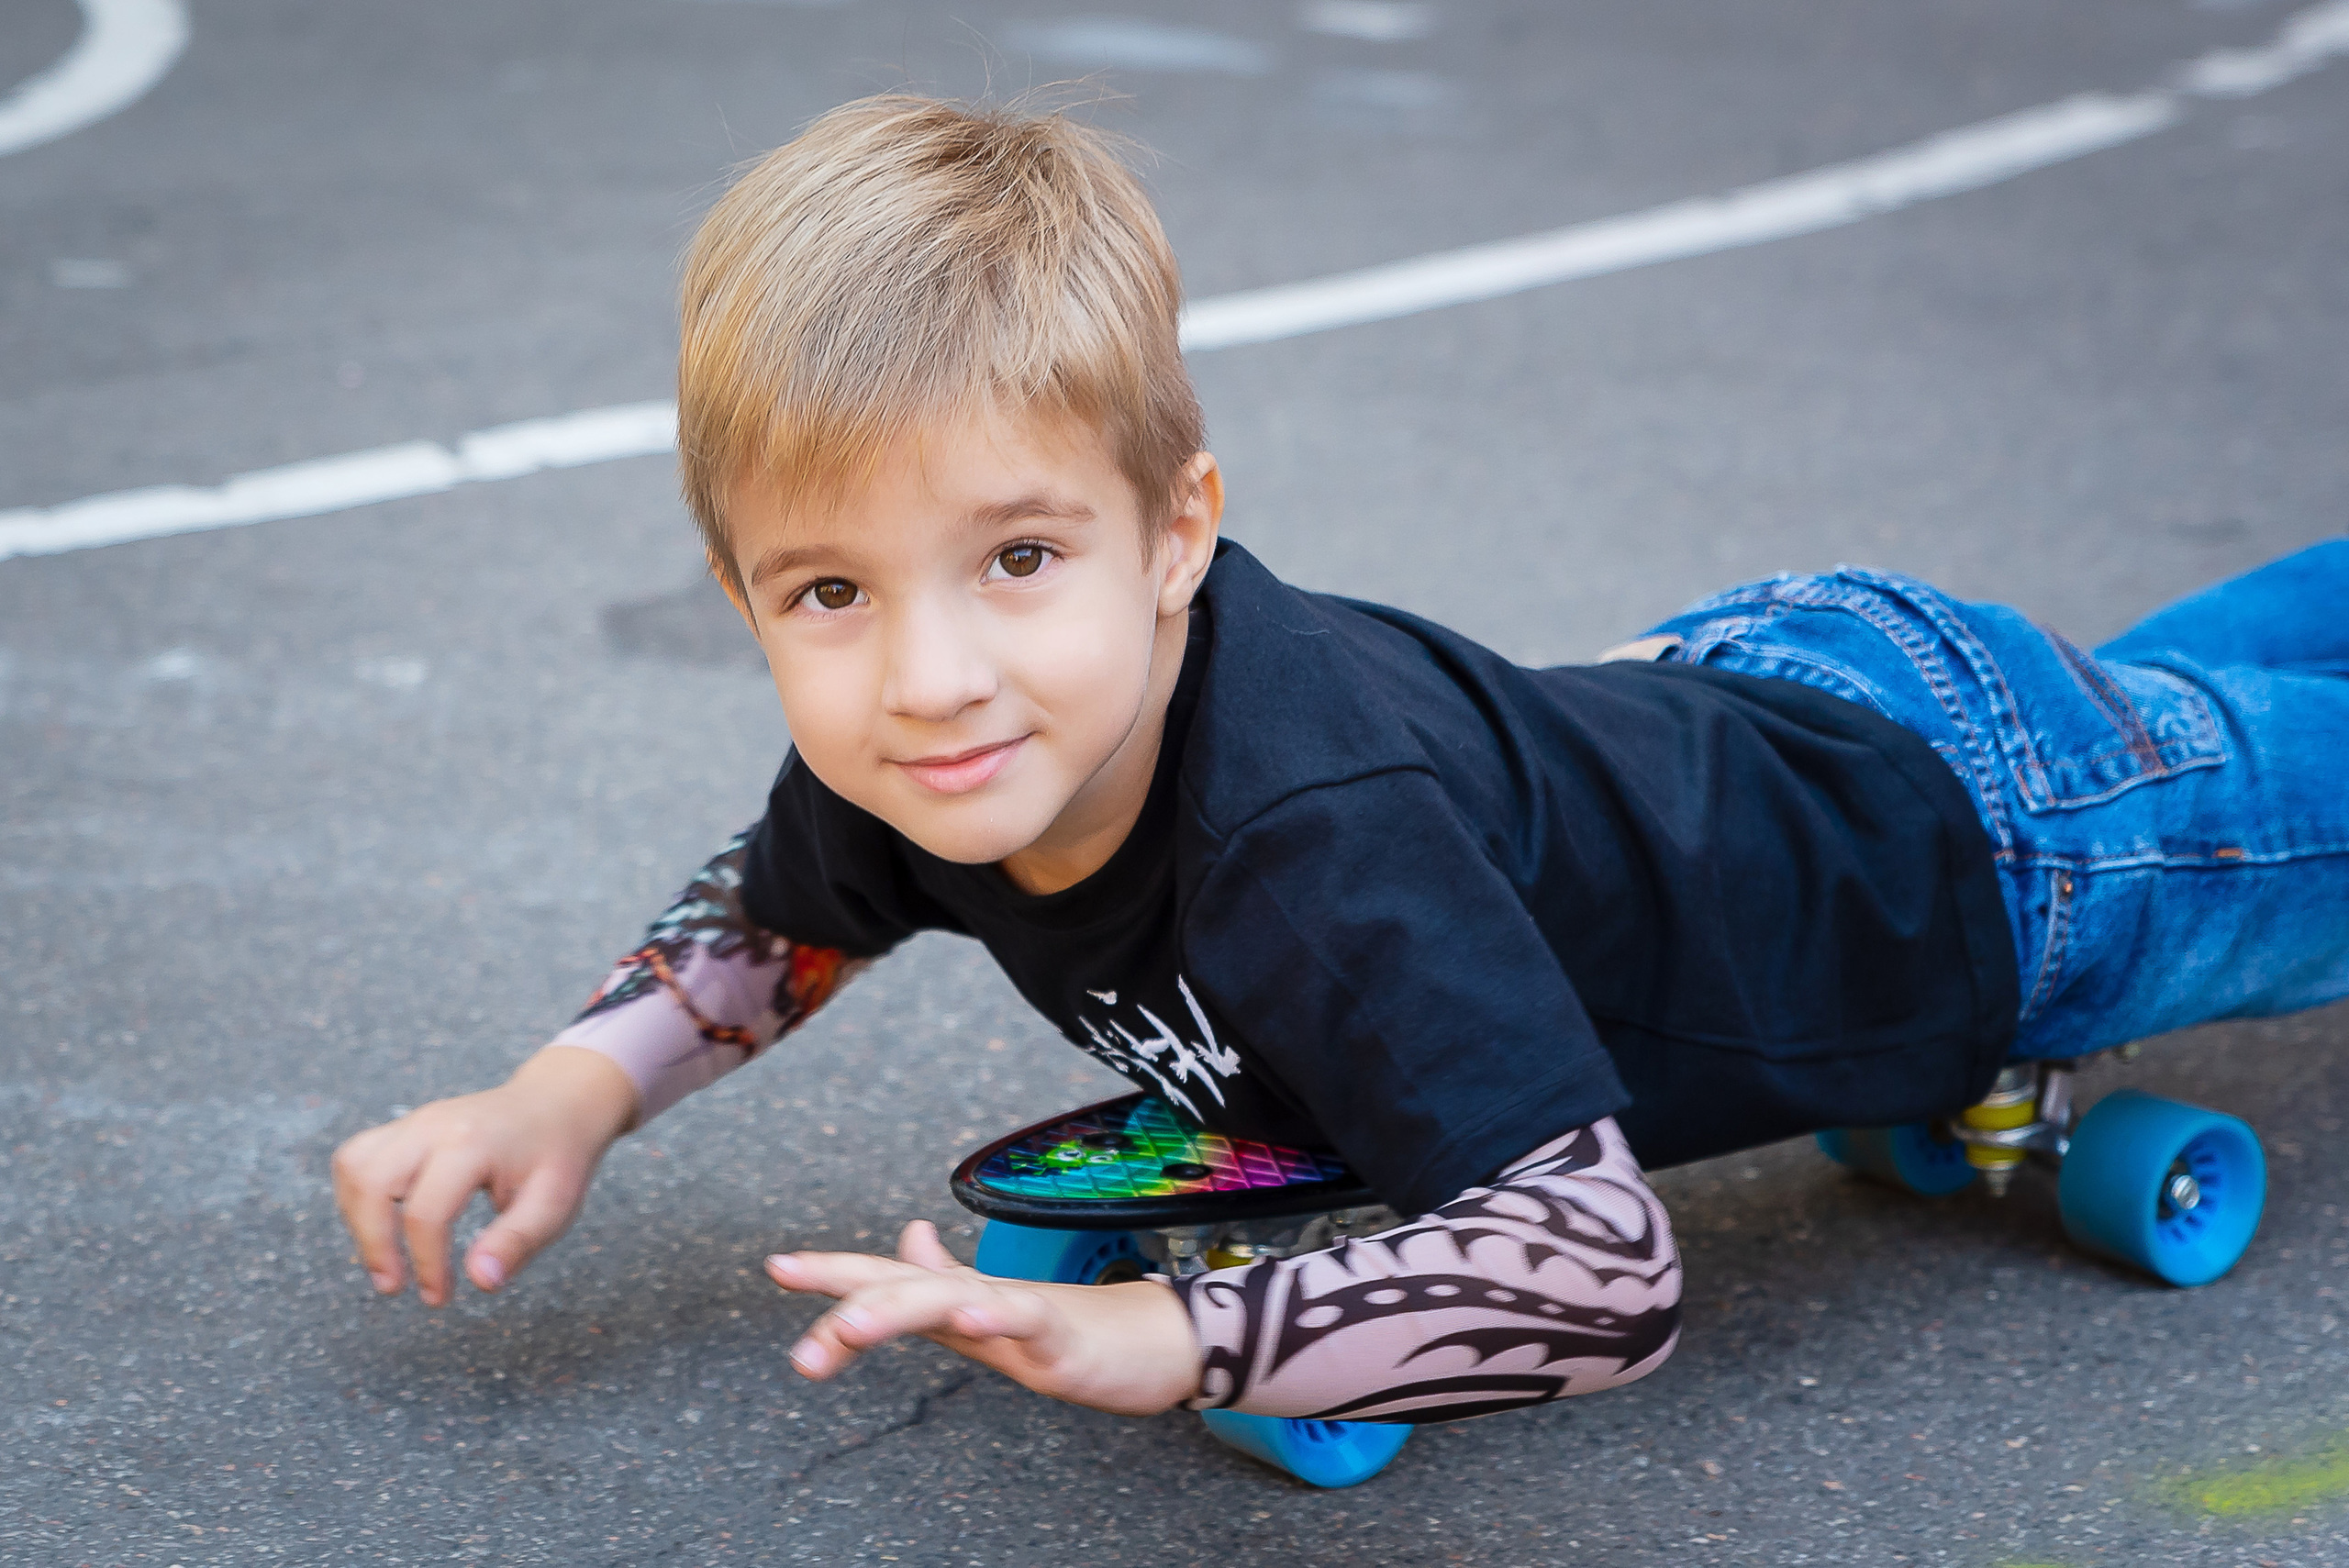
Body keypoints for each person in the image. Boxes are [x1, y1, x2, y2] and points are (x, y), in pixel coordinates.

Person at [331, 95, 2349, 1426]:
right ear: (741, 592)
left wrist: (1174, 1335)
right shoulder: (932, 771)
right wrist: (568, 1087)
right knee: (2211, 706)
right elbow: (775, 919)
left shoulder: (1311, 846)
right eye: (829, 595)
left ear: (1175, 531)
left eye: (1018, 559)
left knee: (2209, 775)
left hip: (1998, 861)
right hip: (1814, 701)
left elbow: (1597, 1262)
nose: (929, 678)